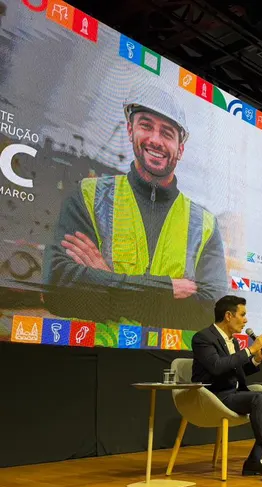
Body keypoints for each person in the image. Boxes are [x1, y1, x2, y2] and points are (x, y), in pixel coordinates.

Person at [43, 84, 228, 329]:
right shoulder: (89, 195)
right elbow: (57, 289)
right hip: (96, 357)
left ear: (180, 149)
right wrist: (165, 290)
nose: (155, 139)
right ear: (131, 130)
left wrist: (106, 281)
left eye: (167, 133)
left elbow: (211, 313)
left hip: (169, 358)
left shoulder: (203, 224)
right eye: (146, 125)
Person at [191, 296, 262, 484]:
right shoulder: (203, 338)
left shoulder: (233, 341)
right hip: (214, 396)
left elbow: (236, 370)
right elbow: (217, 366)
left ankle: (253, 461)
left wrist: (256, 359)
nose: (246, 320)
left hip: (234, 393)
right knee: (257, 398)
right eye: (242, 315)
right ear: (228, 316)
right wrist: (249, 351)